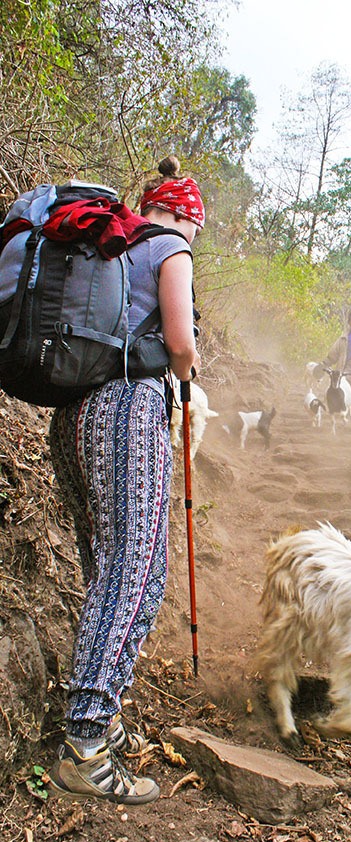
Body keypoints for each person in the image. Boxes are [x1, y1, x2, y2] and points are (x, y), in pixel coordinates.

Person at [47, 156, 203, 805]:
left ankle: (101, 715)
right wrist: (190, 368)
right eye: (198, 225)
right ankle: (84, 743)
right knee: (135, 573)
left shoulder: (104, 244)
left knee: (104, 566)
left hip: (72, 415)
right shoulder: (167, 245)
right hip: (129, 410)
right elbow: (178, 343)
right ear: (186, 215)